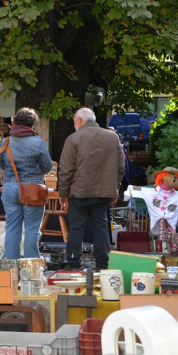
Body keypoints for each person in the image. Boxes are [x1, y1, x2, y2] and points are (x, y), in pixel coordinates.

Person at [59, 107, 125, 271]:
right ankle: (103, 264)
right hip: (103, 193)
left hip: (78, 192)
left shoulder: (73, 138)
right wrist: (114, 189)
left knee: (76, 228)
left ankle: (74, 263)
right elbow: (121, 167)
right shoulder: (112, 137)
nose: (75, 124)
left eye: (75, 121)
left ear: (80, 121)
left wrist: (63, 193)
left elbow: (66, 169)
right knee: (101, 226)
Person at [0, 108, 53, 259]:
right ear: (33, 124)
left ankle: (12, 267)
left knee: (12, 227)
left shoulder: (6, 141)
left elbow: (1, 163)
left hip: (9, 187)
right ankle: (31, 266)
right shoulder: (38, 143)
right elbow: (48, 167)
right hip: (32, 189)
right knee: (32, 228)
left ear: (15, 122)